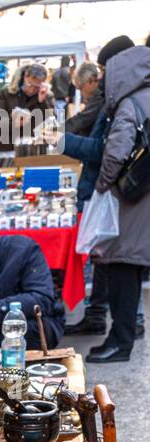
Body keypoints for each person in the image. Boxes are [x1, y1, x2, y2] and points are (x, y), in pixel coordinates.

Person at [63, 36, 136, 337]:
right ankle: (104, 318)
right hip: (110, 187)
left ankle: (124, 329)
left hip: (111, 189)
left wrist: (62, 140)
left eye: (104, 69)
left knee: (117, 259)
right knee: (109, 258)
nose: (101, 75)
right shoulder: (118, 95)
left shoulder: (120, 98)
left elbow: (105, 151)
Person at [85, 44, 150, 363]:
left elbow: (115, 152)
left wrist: (100, 186)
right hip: (144, 197)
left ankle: (120, 342)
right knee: (132, 270)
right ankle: (122, 338)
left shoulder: (130, 103)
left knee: (123, 269)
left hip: (131, 201)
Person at [0, 64, 54, 152]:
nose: (31, 90)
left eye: (36, 87)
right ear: (25, 77)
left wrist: (42, 102)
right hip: (6, 147)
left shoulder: (46, 95)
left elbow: (51, 123)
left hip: (32, 150)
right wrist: (13, 123)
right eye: (29, 84)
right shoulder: (7, 92)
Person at [65, 61, 101, 135]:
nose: (81, 93)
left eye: (80, 88)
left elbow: (81, 120)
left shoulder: (99, 98)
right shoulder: (99, 97)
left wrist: (57, 131)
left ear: (90, 81)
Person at [51, 56, 75, 122]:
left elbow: (52, 86)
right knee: (67, 120)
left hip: (58, 98)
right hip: (68, 98)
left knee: (60, 120)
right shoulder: (69, 72)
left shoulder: (56, 72)